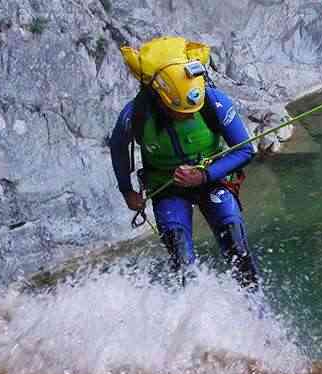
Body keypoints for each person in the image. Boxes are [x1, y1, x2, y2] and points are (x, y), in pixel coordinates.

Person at [108, 36, 259, 289]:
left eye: (192, 110)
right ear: (161, 98)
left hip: (213, 181)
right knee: (182, 260)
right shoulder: (136, 115)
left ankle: (255, 308)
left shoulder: (213, 102)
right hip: (167, 188)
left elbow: (245, 151)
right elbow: (118, 148)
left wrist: (203, 176)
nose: (189, 114)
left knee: (236, 245)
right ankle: (193, 316)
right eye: (181, 111)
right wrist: (127, 190)